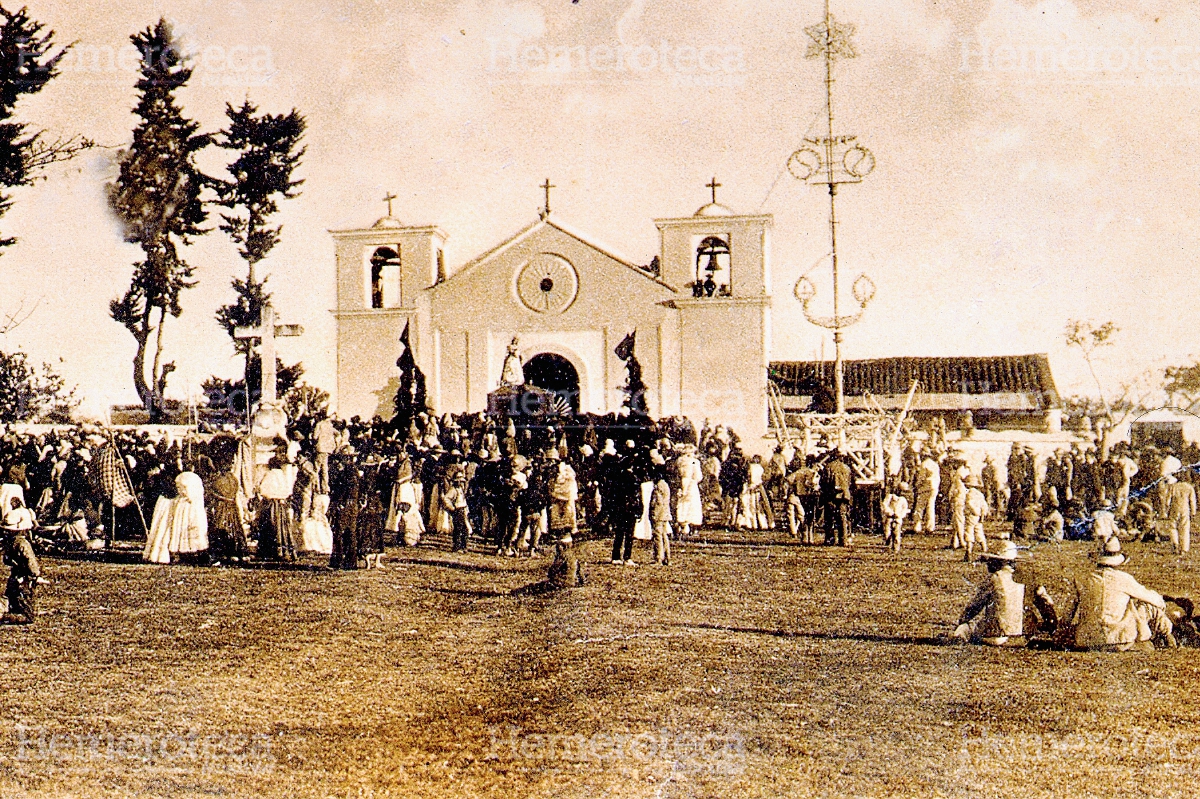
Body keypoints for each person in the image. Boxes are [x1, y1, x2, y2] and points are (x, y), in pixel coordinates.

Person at [1066, 537, 1176, 651]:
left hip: (1088, 641)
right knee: (1148, 606)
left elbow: (1067, 613)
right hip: (1120, 639)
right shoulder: (1123, 579)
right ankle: (1168, 637)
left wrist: (1061, 635)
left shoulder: (1082, 579)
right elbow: (1155, 600)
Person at [950, 541, 1028, 647]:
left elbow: (975, 605)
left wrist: (963, 621)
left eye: (992, 559)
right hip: (1018, 635)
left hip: (996, 635)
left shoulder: (995, 578)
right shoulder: (1022, 578)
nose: (988, 563)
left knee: (964, 628)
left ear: (1000, 561)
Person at [143, 472, 209, 565]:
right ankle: (182, 554)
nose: (181, 491)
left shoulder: (194, 504)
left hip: (191, 523)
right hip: (181, 522)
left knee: (196, 536)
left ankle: (197, 554)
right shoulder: (177, 502)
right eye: (179, 488)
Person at [1, 513, 41, 625]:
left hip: (14, 577)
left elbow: (6, 560)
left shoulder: (9, 543)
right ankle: (4, 616)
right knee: (27, 615)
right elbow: (32, 565)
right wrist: (34, 575)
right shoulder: (22, 543)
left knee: (10, 600)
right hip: (23, 580)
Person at [255, 457, 297, 562]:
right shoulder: (282, 475)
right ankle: (286, 550)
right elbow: (287, 490)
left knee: (271, 526)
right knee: (283, 527)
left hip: (272, 504)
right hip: (282, 504)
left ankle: (272, 551)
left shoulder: (270, 475)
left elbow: (264, 490)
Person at [820, 450, 854, 546]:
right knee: (842, 517)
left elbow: (824, 481)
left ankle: (830, 539)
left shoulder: (828, 467)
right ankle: (844, 540)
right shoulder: (846, 468)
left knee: (829, 518)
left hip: (831, 495)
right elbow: (849, 482)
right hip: (844, 495)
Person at [1164, 470, 1196, 555]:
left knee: (1172, 526)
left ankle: (1175, 543)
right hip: (1185, 508)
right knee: (1185, 528)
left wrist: (1166, 510)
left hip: (1175, 507)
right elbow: (1192, 501)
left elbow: (1167, 501)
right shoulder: (1189, 487)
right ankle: (1184, 548)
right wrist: (1193, 512)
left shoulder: (1173, 487)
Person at [963, 474, 990, 562]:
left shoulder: (969, 494)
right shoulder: (980, 494)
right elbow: (984, 505)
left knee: (969, 532)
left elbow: (969, 504)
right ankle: (984, 549)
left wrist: (974, 512)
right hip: (979, 516)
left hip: (971, 515)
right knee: (979, 532)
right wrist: (982, 514)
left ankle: (969, 551)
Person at [649, 467, 672, 566]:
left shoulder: (658, 486)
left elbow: (656, 502)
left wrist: (653, 512)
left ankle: (659, 557)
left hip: (659, 513)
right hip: (665, 513)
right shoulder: (665, 485)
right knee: (664, 535)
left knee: (657, 536)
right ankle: (667, 557)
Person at [881, 481, 910, 553]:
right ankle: (887, 543)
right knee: (887, 532)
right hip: (889, 517)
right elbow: (884, 505)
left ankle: (896, 548)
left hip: (898, 519)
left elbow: (904, 509)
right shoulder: (890, 497)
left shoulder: (903, 500)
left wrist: (900, 515)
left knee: (896, 534)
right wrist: (889, 512)